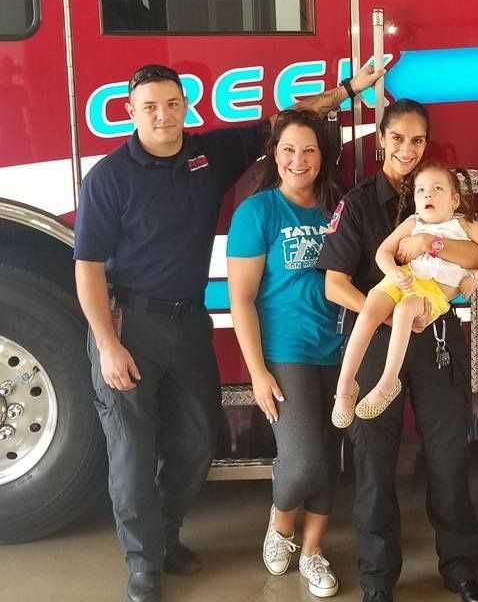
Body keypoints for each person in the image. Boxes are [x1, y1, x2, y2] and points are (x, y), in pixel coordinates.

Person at [74, 62, 380, 602]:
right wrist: (107, 343)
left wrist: (350, 90)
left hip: (189, 321)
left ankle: (164, 537)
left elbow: (287, 125)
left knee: (198, 443)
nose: (164, 115)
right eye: (150, 106)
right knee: (131, 451)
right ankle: (144, 565)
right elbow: (88, 267)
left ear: (185, 105)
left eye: (172, 103)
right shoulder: (108, 177)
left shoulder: (207, 156)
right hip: (130, 322)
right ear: (130, 112)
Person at [315, 99, 478, 602]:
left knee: (448, 457)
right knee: (373, 463)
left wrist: (432, 248)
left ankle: (461, 568)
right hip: (378, 342)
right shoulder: (356, 202)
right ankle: (377, 578)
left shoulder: (443, 195)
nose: (408, 150)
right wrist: (391, 313)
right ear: (381, 140)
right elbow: (334, 284)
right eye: (398, 139)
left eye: (418, 140)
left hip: (438, 340)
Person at [226, 110, 345, 597]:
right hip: (286, 351)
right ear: (274, 154)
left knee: (329, 457)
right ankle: (281, 526)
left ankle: (314, 552)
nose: (300, 160)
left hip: (339, 348)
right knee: (301, 460)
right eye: (289, 150)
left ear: (324, 156)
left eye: (310, 150)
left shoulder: (338, 206)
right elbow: (241, 299)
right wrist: (256, 372)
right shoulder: (257, 212)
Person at [330, 161, 478, 427]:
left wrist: (475, 278)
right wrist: (394, 271)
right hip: (404, 279)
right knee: (370, 308)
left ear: (455, 199)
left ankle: (389, 382)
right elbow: (383, 252)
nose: (428, 195)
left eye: (437, 189)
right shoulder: (413, 222)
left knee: (405, 309)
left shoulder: (464, 224)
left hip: (432, 291)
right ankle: (345, 388)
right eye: (421, 190)